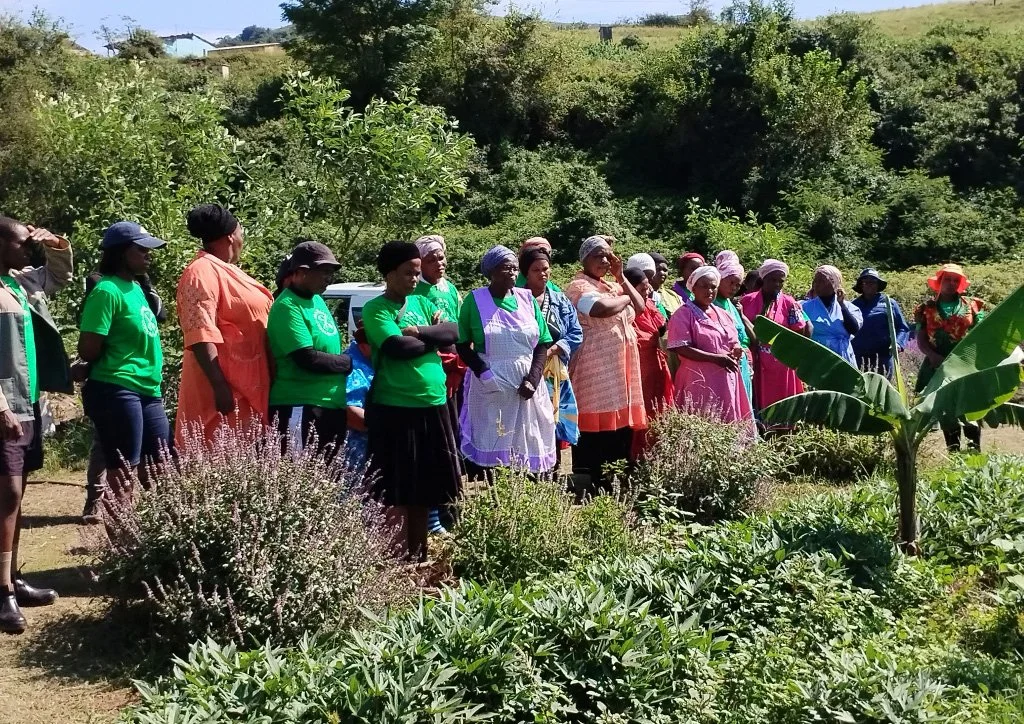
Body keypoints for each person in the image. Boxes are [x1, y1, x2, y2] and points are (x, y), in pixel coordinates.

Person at [363, 241, 461, 562]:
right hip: (396, 409)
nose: (415, 279)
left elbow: (453, 331)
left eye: (417, 273)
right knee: (396, 491)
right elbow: (398, 348)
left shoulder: (421, 301)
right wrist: (432, 338)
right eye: (408, 273)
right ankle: (395, 560)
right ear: (389, 274)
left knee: (425, 489)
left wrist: (418, 331)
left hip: (433, 405)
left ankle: (419, 558)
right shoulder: (376, 309)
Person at [0, 217, 72, 634]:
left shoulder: (19, 283)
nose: (28, 250)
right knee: (7, 493)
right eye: (20, 244)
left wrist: (56, 243)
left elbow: (59, 276)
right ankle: (2, 593)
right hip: (5, 408)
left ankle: (11, 579)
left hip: (27, 402)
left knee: (19, 491)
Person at [79, 222, 171, 503]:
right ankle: (118, 533)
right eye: (141, 249)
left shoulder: (137, 288)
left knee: (161, 471)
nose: (148, 254)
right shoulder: (107, 291)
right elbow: (88, 349)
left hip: (149, 390)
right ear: (121, 253)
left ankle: (153, 531)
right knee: (122, 476)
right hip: (116, 388)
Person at [175, 204, 274, 449]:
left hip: (250, 387)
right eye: (241, 231)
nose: (242, 238)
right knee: (221, 460)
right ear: (231, 235)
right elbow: (200, 333)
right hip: (226, 393)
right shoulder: (200, 272)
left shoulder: (226, 270)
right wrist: (219, 386)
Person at [457, 246, 556, 474]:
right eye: (505, 268)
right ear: (491, 272)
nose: (511, 272)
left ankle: (529, 490)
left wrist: (533, 379)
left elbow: (542, 343)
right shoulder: (475, 301)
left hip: (526, 384)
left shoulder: (527, 299)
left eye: (514, 268)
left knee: (529, 438)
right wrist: (484, 372)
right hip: (491, 384)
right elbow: (462, 345)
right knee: (495, 440)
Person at [565, 235, 647, 490]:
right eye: (598, 255)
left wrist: (621, 277)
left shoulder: (613, 285)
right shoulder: (579, 286)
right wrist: (625, 297)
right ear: (584, 259)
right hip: (595, 366)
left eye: (607, 256)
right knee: (596, 421)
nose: (604, 260)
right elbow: (600, 309)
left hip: (620, 367)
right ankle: (591, 479)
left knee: (618, 422)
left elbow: (640, 306)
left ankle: (615, 477)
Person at [267, 241, 350, 456]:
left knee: (328, 474)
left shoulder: (317, 300)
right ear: (302, 272)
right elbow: (306, 358)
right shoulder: (287, 306)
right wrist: (349, 363)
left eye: (331, 272)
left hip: (331, 405)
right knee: (300, 471)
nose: (329, 278)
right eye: (324, 272)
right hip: (300, 405)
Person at [412, 235, 464, 531]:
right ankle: (439, 509)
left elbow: (456, 327)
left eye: (440, 258)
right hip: (433, 363)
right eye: (430, 260)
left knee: (454, 431)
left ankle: (453, 499)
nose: (438, 264)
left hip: (455, 363)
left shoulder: (450, 288)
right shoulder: (416, 291)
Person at [668, 266, 755, 437]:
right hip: (698, 380)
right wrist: (716, 358)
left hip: (726, 379)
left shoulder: (724, 314)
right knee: (701, 422)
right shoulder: (683, 314)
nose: (709, 291)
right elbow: (681, 347)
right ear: (693, 288)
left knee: (727, 422)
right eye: (704, 286)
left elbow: (733, 340)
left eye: (713, 287)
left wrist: (736, 350)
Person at [914, 263, 989, 452]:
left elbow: (982, 333)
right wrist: (932, 355)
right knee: (947, 409)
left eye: (956, 280)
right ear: (939, 282)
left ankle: (974, 451)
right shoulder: (925, 309)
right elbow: (921, 338)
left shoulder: (973, 306)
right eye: (947, 279)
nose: (951, 283)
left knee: (970, 407)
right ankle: (953, 452)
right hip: (937, 364)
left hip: (966, 364)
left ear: (960, 284)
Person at [519, 245, 582, 456]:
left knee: (552, 418)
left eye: (545, 269)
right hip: (526, 369)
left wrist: (553, 350)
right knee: (529, 419)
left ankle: (552, 465)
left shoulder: (559, 300)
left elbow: (575, 332)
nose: (542, 274)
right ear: (526, 273)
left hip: (554, 369)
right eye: (536, 270)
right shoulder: (516, 300)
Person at [739, 259, 813, 414]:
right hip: (756, 361)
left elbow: (800, 330)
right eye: (773, 280)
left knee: (782, 403)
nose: (777, 284)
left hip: (782, 362)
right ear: (763, 278)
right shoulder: (747, 301)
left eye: (781, 281)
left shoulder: (789, 303)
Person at [623, 267, 674, 458]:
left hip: (655, 366)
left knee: (656, 409)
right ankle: (636, 455)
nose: (647, 292)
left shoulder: (649, 305)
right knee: (640, 411)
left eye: (647, 288)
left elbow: (662, 327)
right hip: (637, 369)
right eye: (642, 289)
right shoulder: (625, 310)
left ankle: (654, 453)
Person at [851, 268, 911, 378]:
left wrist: (897, 344)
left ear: (878, 285)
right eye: (866, 282)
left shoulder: (889, 303)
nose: (869, 285)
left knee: (881, 388)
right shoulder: (853, 305)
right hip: (859, 357)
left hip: (882, 358)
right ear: (861, 285)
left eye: (873, 282)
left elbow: (902, 328)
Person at [714, 251, 756, 409]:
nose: (734, 288)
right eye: (731, 282)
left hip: (742, 362)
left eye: (738, 285)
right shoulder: (710, 304)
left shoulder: (731, 305)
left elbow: (744, 336)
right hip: (723, 363)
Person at [800, 265, 862, 366]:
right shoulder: (804, 307)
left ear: (834, 283)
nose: (816, 284)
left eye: (821, 281)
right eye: (815, 280)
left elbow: (854, 329)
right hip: (816, 359)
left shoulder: (850, 308)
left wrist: (842, 305)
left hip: (842, 359)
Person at [343, 323, 374, 470]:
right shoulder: (353, 367)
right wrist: (385, 427)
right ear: (364, 346)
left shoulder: (369, 359)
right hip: (356, 450)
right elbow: (351, 412)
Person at [649, 252, 679, 317]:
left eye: (665, 270)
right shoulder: (643, 295)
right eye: (658, 269)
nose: (662, 273)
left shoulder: (673, 295)